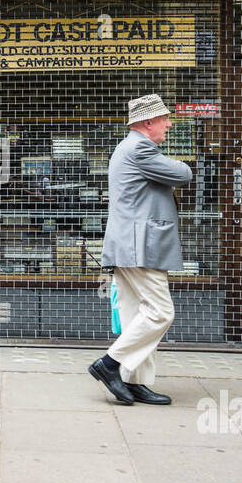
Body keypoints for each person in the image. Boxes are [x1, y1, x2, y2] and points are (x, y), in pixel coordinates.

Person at [90, 94, 192, 405]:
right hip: (140, 246)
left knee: (138, 316)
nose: (169, 124)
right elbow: (184, 174)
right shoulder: (140, 148)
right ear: (148, 123)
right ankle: (109, 365)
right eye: (164, 119)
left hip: (130, 244)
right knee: (162, 313)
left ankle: (134, 381)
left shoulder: (128, 147)